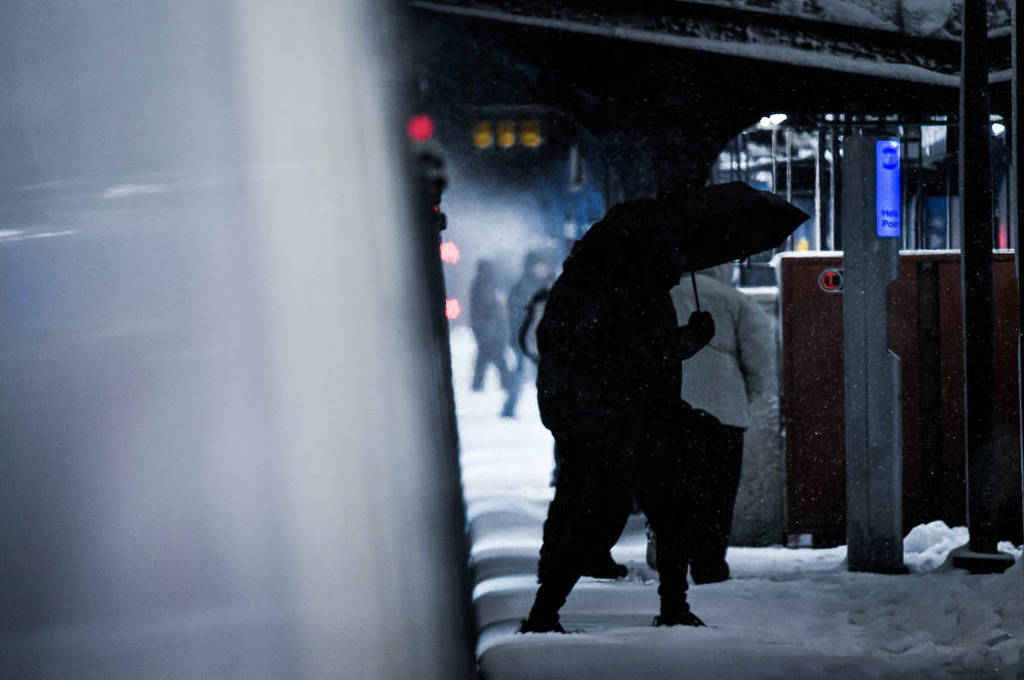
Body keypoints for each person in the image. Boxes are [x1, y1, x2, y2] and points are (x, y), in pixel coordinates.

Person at [520, 200, 716, 634]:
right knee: (610, 518)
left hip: (617, 420)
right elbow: (643, 356)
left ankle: (669, 605)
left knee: (658, 511)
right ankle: (547, 612)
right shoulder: (629, 292)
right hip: (628, 422)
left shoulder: (587, 287)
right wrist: (693, 338)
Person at [657, 262, 775, 584]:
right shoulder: (737, 302)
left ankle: (668, 557)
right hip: (724, 411)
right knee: (717, 493)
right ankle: (708, 563)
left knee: (671, 488)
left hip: (667, 408)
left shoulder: (656, 297)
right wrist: (746, 396)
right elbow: (760, 362)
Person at [501, 250, 554, 418]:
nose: (541, 268)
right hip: (526, 338)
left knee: (543, 377)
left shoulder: (547, 284)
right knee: (520, 374)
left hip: (540, 338)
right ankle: (510, 406)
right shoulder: (524, 286)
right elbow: (515, 314)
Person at [468, 258, 512, 393]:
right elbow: (486, 306)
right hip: (488, 328)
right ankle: (506, 384)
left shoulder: (480, 283)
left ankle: (478, 385)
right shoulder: (485, 284)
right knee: (497, 358)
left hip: (485, 328)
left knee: (485, 358)